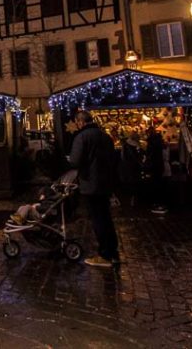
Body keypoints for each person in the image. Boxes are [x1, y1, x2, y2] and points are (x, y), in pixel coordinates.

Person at [67, 109, 119, 268]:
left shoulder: (81, 137)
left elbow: (75, 161)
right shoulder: (105, 136)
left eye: (77, 122)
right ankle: (113, 252)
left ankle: (104, 254)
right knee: (106, 217)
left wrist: (70, 160)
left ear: (80, 121)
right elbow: (113, 158)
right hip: (106, 182)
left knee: (98, 219)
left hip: (90, 183)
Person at [144, 124, 169, 214]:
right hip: (160, 166)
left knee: (155, 184)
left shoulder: (152, 143)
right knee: (159, 184)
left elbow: (150, 155)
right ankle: (160, 203)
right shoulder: (159, 142)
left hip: (155, 166)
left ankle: (157, 204)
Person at [117, 130, 143, 208]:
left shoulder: (125, 145)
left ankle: (127, 199)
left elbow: (123, 157)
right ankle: (133, 199)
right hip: (135, 167)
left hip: (126, 167)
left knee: (128, 183)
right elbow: (140, 156)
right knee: (134, 183)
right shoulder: (137, 146)